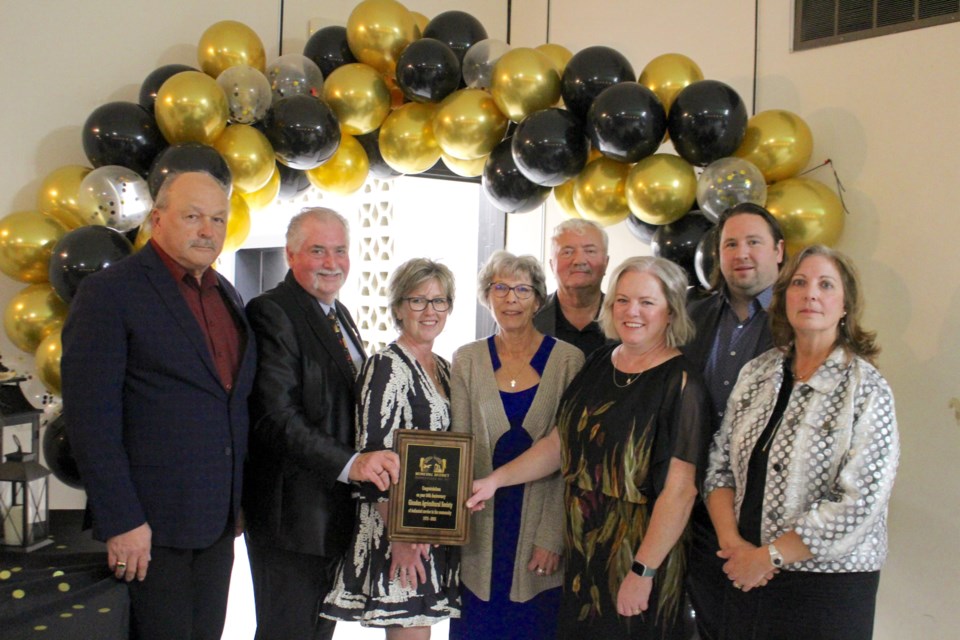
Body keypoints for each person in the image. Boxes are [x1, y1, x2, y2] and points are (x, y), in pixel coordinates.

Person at [468, 256, 712, 640]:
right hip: (584, 552)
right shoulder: (600, 361)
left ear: (670, 311)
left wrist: (643, 571)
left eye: (647, 302)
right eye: (622, 300)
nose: (632, 311)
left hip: (640, 554)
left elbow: (680, 491)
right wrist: (496, 480)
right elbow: (561, 444)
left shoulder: (682, 384)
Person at [61, 171, 258, 640]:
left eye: (217, 218)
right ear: (156, 220)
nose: (207, 230)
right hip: (149, 529)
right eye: (192, 216)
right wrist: (123, 521)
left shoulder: (225, 293)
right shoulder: (110, 293)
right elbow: (91, 420)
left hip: (216, 524)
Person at [704, 245, 899, 640]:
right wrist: (734, 545)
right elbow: (718, 467)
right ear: (784, 298)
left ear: (845, 306)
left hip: (828, 588)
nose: (810, 293)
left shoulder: (866, 387)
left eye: (826, 285)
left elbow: (860, 501)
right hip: (745, 572)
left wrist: (769, 556)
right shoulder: (756, 373)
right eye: (799, 282)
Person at [243, 208, 401, 640]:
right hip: (291, 521)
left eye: (340, 250)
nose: (332, 262)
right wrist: (353, 464)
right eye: (318, 250)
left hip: (331, 515)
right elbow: (275, 418)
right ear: (291, 254)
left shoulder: (339, 313)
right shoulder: (271, 311)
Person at [449, 251, 584, 640]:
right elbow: (460, 446)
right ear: (486, 296)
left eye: (522, 289)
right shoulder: (467, 360)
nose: (511, 298)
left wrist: (552, 536)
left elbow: (568, 459)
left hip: (539, 536)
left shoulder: (568, 361)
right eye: (501, 288)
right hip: (479, 534)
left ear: (539, 300)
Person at [321, 258, 459, 637]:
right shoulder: (385, 366)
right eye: (418, 300)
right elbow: (372, 460)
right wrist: (400, 536)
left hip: (431, 524)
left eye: (439, 301)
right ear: (398, 307)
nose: (429, 311)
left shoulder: (445, 369)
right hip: (395, 528)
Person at [681, 202, 785, 639]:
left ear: (778, 251)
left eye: (754, 242)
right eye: (731, 244)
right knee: (711, 624)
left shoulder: (798, 318)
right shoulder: (694, 314)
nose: (742, 253)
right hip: (701, 510)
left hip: (774, 515)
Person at [533, 219, 613, 357]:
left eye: (590, 251)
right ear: (552, 265)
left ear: (606, 262)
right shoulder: (529, 317)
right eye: (568, 252)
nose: (579, 261)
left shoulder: (626, 318)